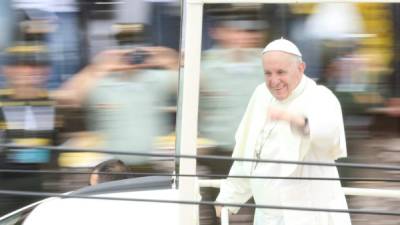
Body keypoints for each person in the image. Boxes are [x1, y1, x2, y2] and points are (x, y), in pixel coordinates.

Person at [215, 38, 352, 225]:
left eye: (281, 72)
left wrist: (297, 121)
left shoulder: (320, 96)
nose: (274, 81)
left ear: (301, 68)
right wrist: (229, 197)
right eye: (268, 73)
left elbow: (328, 134)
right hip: (267, 217)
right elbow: (248, 154)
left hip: (309, 217)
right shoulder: (261, 95)